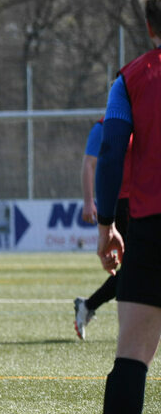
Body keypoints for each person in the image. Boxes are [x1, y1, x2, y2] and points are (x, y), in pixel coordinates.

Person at [72, 0, 161, 414]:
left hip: (150, 228)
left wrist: (107, 223)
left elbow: (112, 149)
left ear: (149, 26)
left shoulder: (132, 77)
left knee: (131, 358)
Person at [72, 118, 132, 340]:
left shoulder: (144, 120)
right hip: (122, 203)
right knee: (137, 268)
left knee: (138, 268)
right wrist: (89, 202)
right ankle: (89, 305)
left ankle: (88, 305)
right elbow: (89, 163)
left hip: (143, 200)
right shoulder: (105, 125)